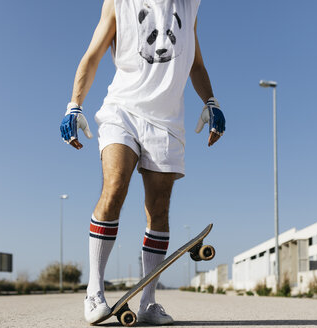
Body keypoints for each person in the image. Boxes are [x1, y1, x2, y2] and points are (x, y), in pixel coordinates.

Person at [60, 0, 225, 325]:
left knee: (159, 209)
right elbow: (92, 55)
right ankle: (95, 290)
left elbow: (195, 62)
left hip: (166, 123)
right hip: (122, 111)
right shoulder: (118, 3)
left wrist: (211, 100)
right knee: (115, 186)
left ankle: (149, 302)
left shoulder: (189, 5)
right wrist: (74, 104)